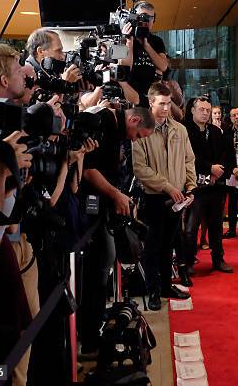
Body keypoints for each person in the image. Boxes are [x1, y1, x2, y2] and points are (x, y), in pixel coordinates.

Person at [79, 105, 155, 352]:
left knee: (106, 263)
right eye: (138, 134)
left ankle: (95, 324)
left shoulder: (115, 128)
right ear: (133, 119)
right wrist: (116, 195)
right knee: (100, 265)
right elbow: (88, 170)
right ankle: (89, 333)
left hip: (104, 209)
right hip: (90, 211)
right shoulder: (104, 123)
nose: (135, 140)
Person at [132, 82, 196, 311]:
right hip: (154, 197)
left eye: (169, 103)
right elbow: (140, 168)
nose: (166, 108)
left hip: (178, 198)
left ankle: (167, 285)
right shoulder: (141, 131)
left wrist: (191, 187)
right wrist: (168, 187)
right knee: (152, 246)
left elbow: (189, 160)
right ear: (150, 103)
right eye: (161, 104)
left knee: (169, 244)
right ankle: (153, 290)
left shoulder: (179, 129)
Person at [183, 96, 235, 277]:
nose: (205, 113)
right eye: (201, 110)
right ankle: (188, 262)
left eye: (207, 110)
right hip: (194, 187)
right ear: (192, 110)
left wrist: (216, 171)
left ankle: (218, 259)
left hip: (215, 186)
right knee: (191, 228)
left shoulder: (215, 131)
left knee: (216, 226)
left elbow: (224, 153)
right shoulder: (185, 130)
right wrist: (208, 168)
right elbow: (188, 157)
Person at [121, 1, 168, 107]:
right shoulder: (121, 38)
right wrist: (128, 40)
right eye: (143, 17)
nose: (147, 21)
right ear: (134, 17)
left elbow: (163, 66)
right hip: (130, 97)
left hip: (152, 98)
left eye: (151, 18)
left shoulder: (157, 41)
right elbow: (123, 68)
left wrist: (146, 45)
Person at [223, 107, 238, 238]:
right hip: (232, 172)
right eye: (234, 115)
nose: (237, 117)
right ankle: (232, 229)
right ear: (230, 118)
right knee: (232, 202)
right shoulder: (226, 134)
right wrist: (233, 169)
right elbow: (225, 155)